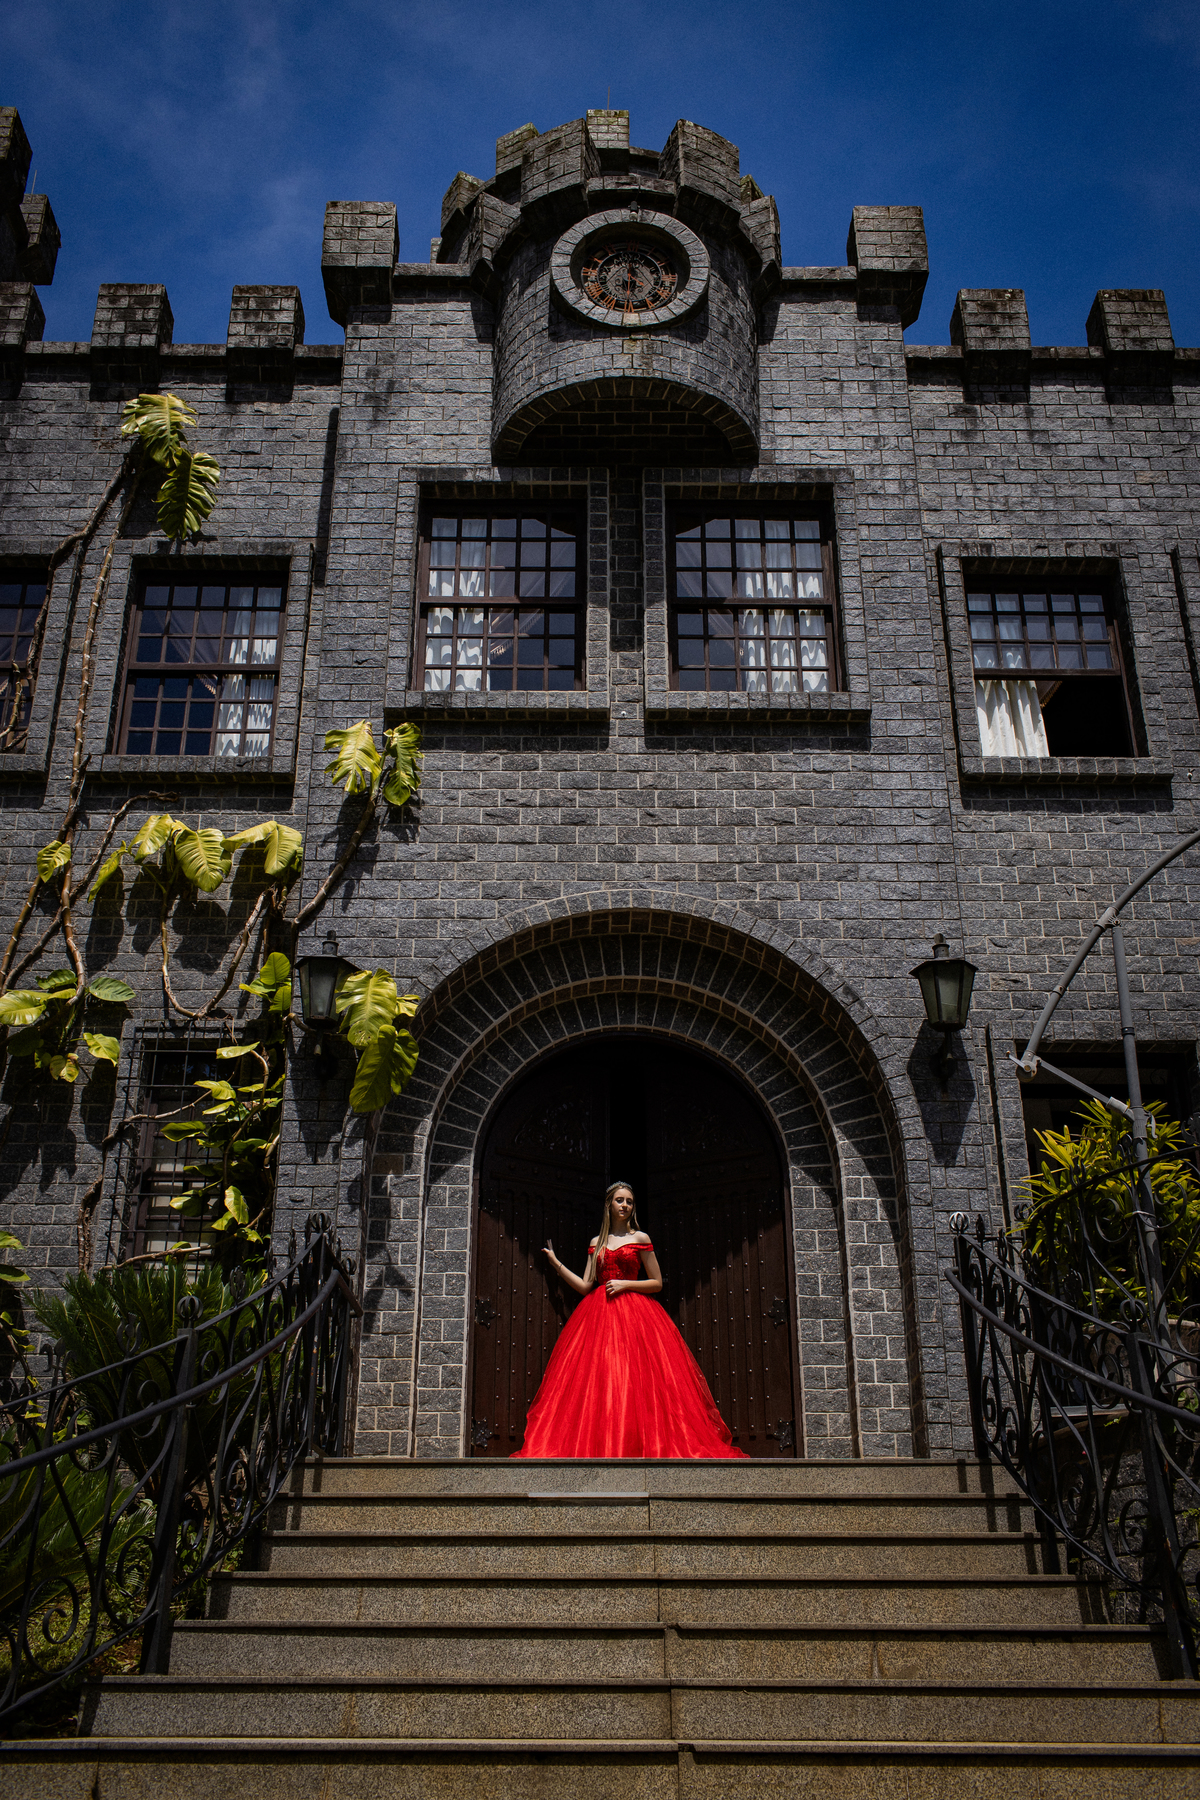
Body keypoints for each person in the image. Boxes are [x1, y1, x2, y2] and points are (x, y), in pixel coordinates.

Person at [512, 1180, 748, 1459]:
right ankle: (603, 1445)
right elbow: (586, 1286)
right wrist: (555, 1263)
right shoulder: (596, 1243)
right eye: (620, 1200)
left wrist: (625, 1284)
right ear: (609, 1205)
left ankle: (641, 1444)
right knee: (602, 1379)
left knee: (636, 1379)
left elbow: (657, 1283)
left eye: (629, 1201)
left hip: (636, 1314)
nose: (625, 1205)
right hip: (598, 1315)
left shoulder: (640, 1239)